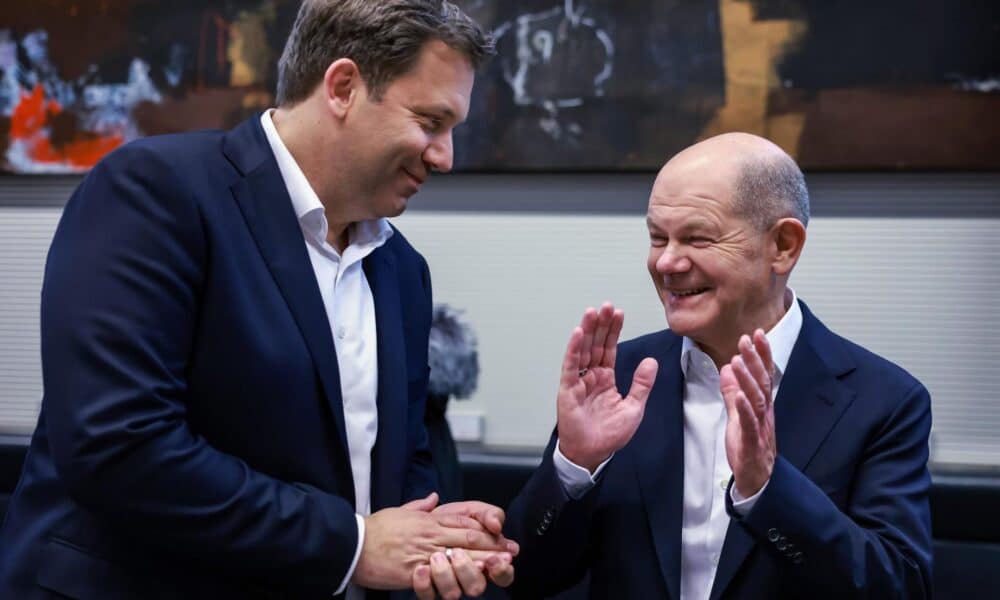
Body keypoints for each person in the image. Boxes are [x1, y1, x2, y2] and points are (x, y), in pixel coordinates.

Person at [0, 1, 517, 598]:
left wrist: (437, 539)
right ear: (344, 86)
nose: (444, 157)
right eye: (430, 121)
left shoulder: (402, 270)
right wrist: (350, 545)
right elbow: (119, 446)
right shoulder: (155, 192)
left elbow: (402, 465)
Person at [504, 133, 933, 598]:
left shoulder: (882, 401)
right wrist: (574, 466)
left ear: (783, 246)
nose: (666, 262)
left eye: (697, 238)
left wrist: (768, 489)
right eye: (657, 238)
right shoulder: (621, 378)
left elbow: (899, 587)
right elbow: (526, 577)